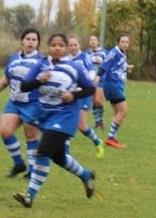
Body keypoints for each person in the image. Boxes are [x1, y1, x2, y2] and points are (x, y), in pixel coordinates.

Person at [13, 33, 97, 208]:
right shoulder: (41, 64)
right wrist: (39, 81)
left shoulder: (74, 67)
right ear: (48, 47)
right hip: (46, 116)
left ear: (65, 47)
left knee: (42, 151)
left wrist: (73, 95)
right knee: (59, 158)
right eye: (53, 45)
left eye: (60, 45)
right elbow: (24, 86)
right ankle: (86, 175)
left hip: (66, 117)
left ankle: (29, 195)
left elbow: (89, 88)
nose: (57, 48)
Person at [0, 28, 44, 178]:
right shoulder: (13, 58)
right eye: (28, 39)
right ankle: (19, 164)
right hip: (14, 101)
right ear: (22, 41)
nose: (31, 42)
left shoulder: (42, 60)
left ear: (38, 43)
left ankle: (32, 170)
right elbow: (6, 79)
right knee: (4, 131)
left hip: (33, 103)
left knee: (30, 135)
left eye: (34, 39)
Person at [68, 35, 105, 158]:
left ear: (79, 45)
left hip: (83, 94)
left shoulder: (85, 57)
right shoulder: (66, 59)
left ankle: (97, 141)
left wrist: (85, 83)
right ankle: (65, 152)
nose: (73, 47)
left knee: (82, 126)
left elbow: (91, 71)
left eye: (75, 45)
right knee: (68, 120)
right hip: (71, 94)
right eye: (70, 45)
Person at [97, 35, 133, 148]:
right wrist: (97, 77)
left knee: (117, 113)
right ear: (118, 43)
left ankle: (113, 138)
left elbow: (118, 65)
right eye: (123, 41)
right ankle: (110, 138)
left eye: (127, 42)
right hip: (113, 84)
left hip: (117, 84)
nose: (125, 44)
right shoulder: (114, 52)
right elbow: (105, 65)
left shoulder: (122, 53)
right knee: (123, 111)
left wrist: (127, 67)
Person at [84, 35, 107, 130]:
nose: (93, 42)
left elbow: (107, 64)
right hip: (90, 80)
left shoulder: (104, 52)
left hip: (101, 79)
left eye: (94, 40)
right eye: (91, 40)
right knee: (94, 101)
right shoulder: (86, 53)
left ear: (98, 42)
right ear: (89, 42)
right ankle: (98, 122)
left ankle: (100, 120)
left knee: (98, 100)